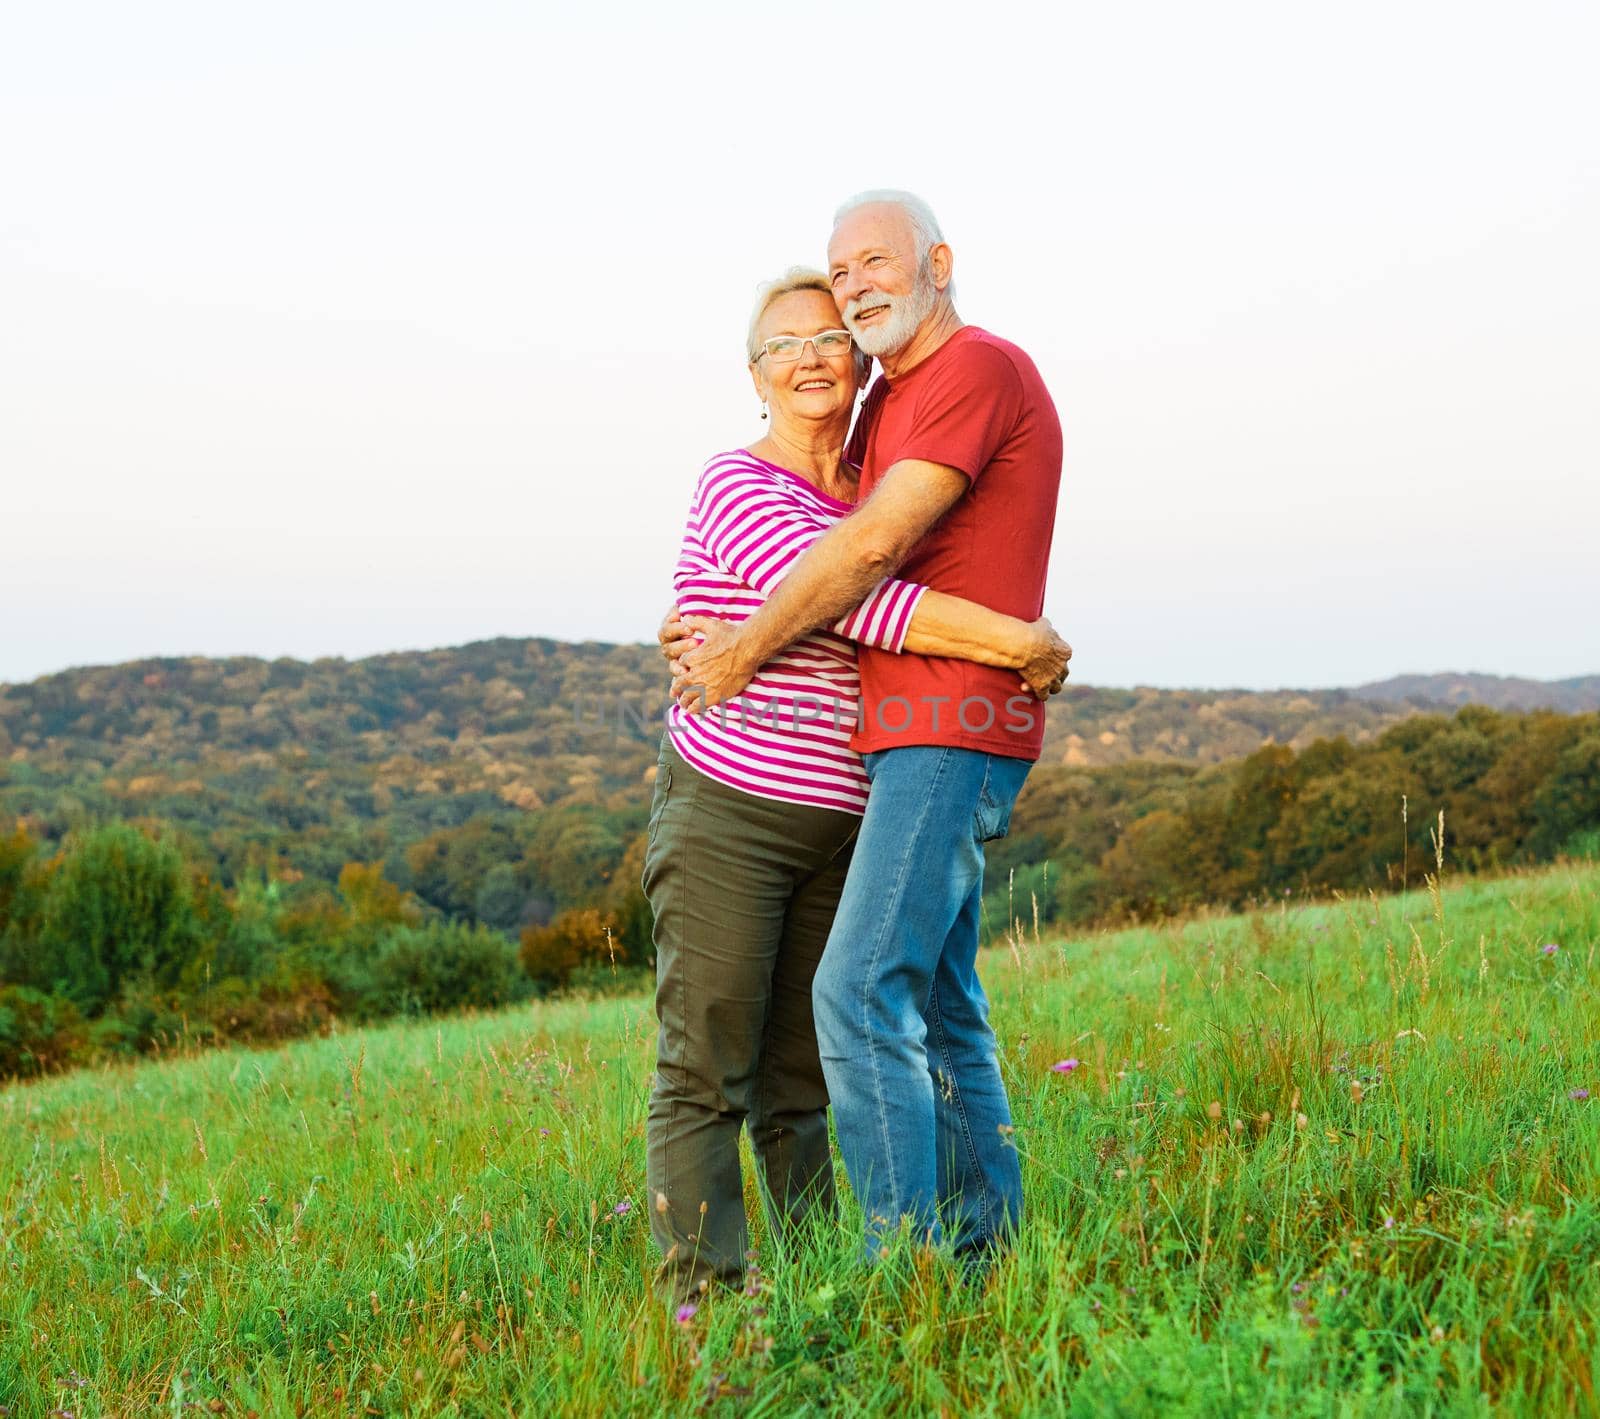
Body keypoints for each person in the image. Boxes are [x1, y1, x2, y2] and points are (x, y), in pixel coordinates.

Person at [645, 266, 1070, 1301]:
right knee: (708, 1068)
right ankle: (706, 1298)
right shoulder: (736, 482)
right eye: (783, 344)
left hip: (848, 812)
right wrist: (1016, 640)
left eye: (829, 337)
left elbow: (896, 572)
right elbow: (850, 607)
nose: (809, 358)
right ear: (755, 374)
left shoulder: (878, 489)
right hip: (732, 811)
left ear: (859, 359)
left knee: (803, 1080)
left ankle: (807, 1280)